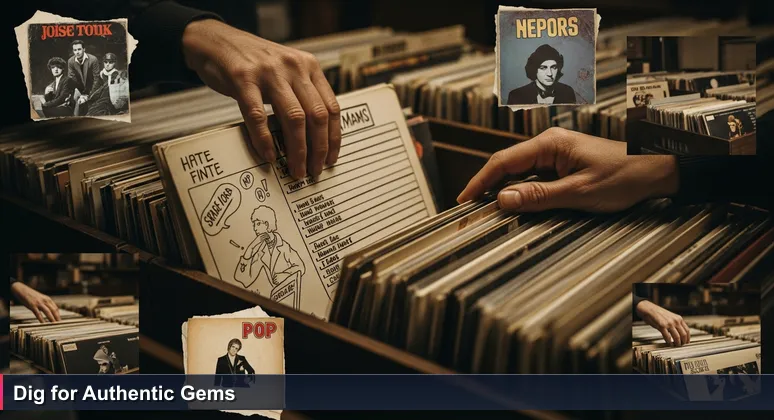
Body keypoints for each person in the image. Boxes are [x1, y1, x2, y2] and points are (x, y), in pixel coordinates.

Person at [235, 206, 305, 291]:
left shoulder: (283, 246)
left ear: (267, 224)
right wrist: (250, 248)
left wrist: (285, 275)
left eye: (258, 224)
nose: (255, 228)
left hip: (291, 291)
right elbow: (245, 280)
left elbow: (300, 267)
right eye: (254, 224)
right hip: (276, 296)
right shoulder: (260, 252)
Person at [507, 44, 577, 105]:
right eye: (543, 68)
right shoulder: (516, 95)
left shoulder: (567, 91)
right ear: (534, 70)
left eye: (553, 67)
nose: (550, 74)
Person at [67, 39, 100, 115]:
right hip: (79, 89)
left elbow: (96, 79)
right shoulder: (71, 61)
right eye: (75, 50)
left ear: (84, 49)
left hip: (93, 88)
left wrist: (88, 94)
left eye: (79, 49)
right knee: (74, 100)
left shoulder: (93, 59)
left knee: (85, 104)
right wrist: (76, 90)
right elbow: (71, 78)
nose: (77, 52)